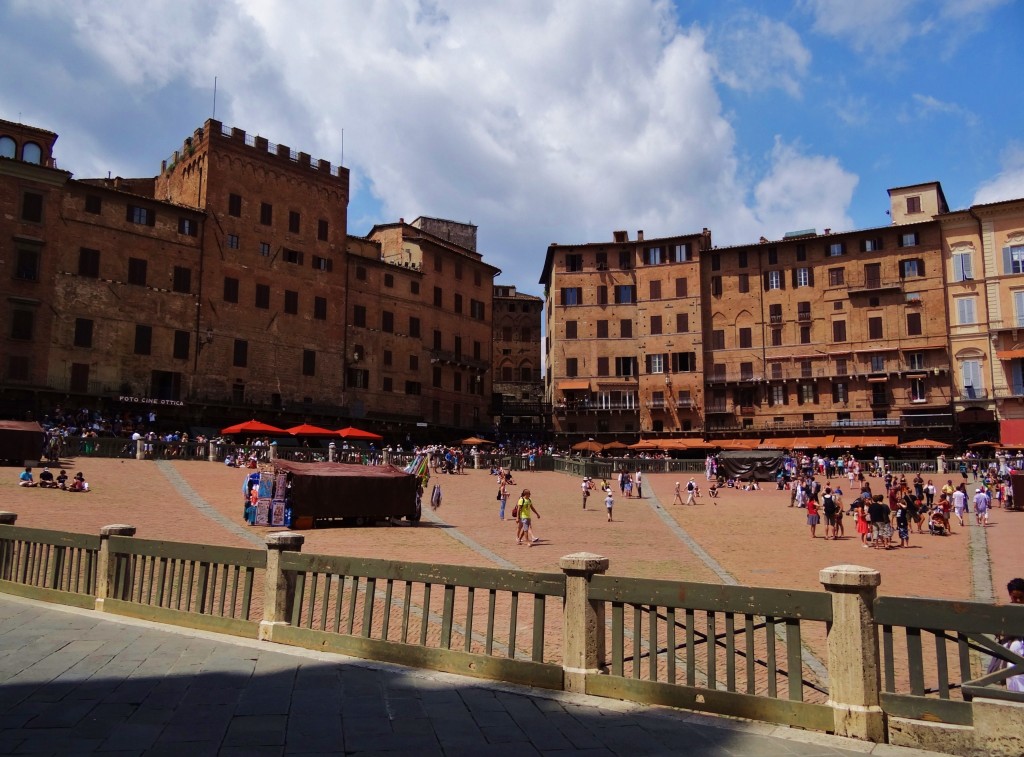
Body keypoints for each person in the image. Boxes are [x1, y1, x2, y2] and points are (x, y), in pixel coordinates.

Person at [989, 578, 1024, 692]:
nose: (1018, 600)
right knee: (1013, 650)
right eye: (1015, 597)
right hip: (1010, 645)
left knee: (1016, 648)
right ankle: (1014, 692)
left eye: (1021, 597)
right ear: (1010, 595)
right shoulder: (1007, 611)